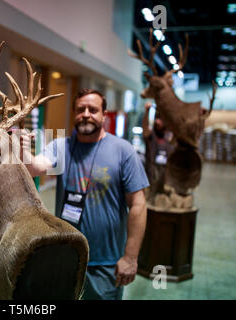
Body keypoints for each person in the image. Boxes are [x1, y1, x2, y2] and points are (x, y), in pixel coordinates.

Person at [20, 89, 149, 300]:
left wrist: (131, 257)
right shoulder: (61, 146)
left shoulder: (123, 151)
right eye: (81, 109)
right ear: (74, 113)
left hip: (106, 263)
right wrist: (24, 149)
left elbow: (138, 205)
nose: (86, 114)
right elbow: (34, 167)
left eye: (93, 109)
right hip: (66, 257)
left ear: (104, 114)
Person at [142, 102, 175, 204]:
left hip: (166, 181)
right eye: (156, 118)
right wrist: (147, 112)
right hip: (150, 180)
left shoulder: (170, 138)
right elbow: (145, 129)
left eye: (160, 119)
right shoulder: (151, 137)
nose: (157, 122)